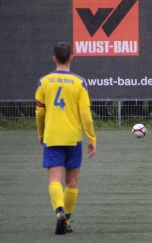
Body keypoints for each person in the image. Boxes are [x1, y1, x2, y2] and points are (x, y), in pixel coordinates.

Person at [35, 42, 97, 235]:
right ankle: (66, 220)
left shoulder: (43, 82)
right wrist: (91, 138)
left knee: (54, 179)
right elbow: (85, 114)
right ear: (72, 57)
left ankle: (59, 212)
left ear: (54, 58)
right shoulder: (80, 82)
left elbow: (39, 113)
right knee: (71, 181)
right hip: (73, 138)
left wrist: (41, 133)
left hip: (52, 136)